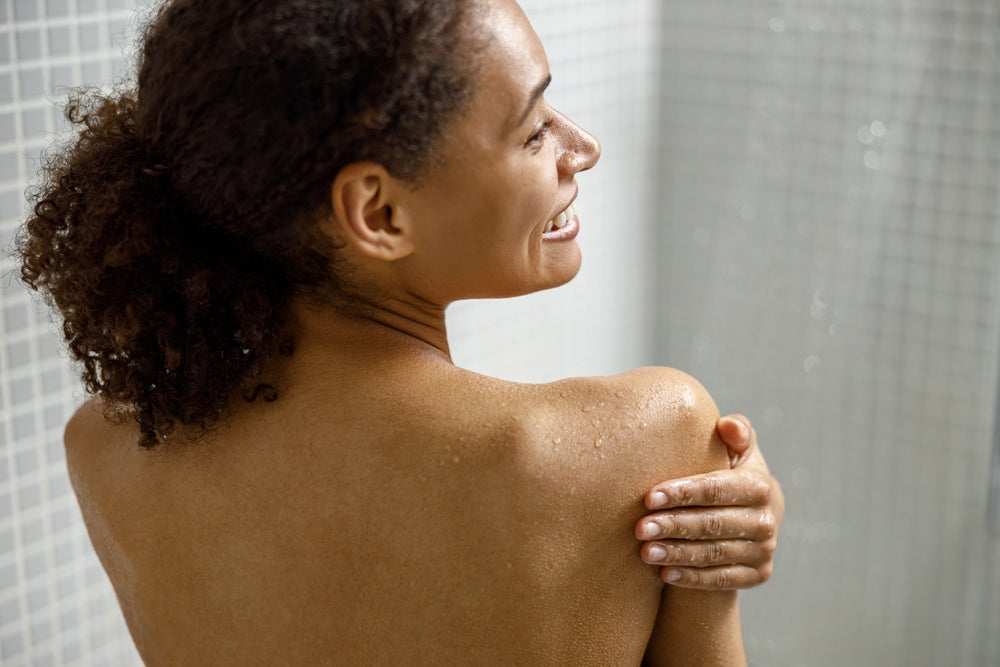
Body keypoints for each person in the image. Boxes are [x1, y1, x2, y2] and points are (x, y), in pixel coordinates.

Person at [18, 0, 782, 663]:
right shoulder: (643, 442)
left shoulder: (107, 452)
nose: (581, 147)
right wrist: (706, 574)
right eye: (533, 133)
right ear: (379, 214)